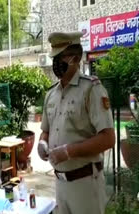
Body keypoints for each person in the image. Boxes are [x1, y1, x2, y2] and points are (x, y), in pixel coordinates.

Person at [37, 32, 115, 214]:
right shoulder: (51, 94)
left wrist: (68, 151)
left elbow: (108, 139)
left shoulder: (91, 89)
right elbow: (45, 131)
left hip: (85, 182)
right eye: (54, 57)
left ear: (76, 58)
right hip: (59, 182)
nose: (56, 62)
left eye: (60, 57)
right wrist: (42, 143)